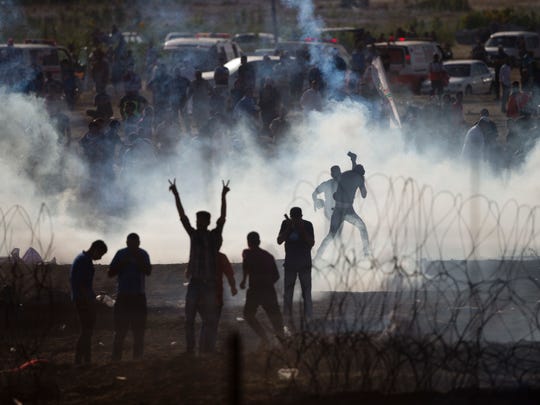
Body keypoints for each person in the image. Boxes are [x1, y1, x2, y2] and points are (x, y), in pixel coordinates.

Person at [168, 178, 230, 354]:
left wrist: (223, 196)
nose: (197, 222)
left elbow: (223, 218)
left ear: (206, 222)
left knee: (208, 319)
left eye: (200, 220)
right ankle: (191, 349)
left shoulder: (213, 236)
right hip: (196, 282)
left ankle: (205, 349)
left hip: (207, 284)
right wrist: (176, 194)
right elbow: (182, 217)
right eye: (197, 220)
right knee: (190, 319)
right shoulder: (194, 234)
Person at [316, 152, 370, 259]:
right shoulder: (359, 178)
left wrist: (353, 161)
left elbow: (353, 171)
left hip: (341, 210)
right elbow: (364, 195)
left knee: (331, 234)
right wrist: (362, 184)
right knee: (361, 228)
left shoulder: (347, 175)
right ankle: (366, 253)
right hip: (345, 210)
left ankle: (318, 255)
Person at [108, 233, 152, 361]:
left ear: (139, 243)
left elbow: (148, 271)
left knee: (138, 331)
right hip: (125, 296)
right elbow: (110, 272)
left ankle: (136, 359)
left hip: (137, 296)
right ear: (127, 243)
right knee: (121, 331)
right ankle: (117, 359)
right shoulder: (121, 254)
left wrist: (137, 262)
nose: (132, 246)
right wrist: (123, 263)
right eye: (130, 243)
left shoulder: (142, 254)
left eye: (135, 244)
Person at [240, 231, 284, 348]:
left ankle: (265, 338)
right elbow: (276, 276)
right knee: (275, 318)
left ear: (248, 243)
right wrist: (267, 283)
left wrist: (244, 281)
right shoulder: (267, 256)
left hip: (255, 290)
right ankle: (282, 342)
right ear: (259, 242)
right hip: (267, 290)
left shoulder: (247, 253)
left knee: (249, 315)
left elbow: (245, 267)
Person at [70, 240, 108, 365]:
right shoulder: (84, 261)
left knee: (87, 331)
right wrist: (91, 300)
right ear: (95, 250)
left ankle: (86, 360)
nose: (100, 257)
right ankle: (80, 360)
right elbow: (82, 285)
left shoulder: (82, 259)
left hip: (82, 298)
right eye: (101, 254)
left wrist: (93, 296)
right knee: (87, 331)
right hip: (83, 300)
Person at [277, 207, 315, 327]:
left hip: (304, 265)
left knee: (307, 294)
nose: (295, 219)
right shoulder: (285, 224)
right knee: (288, 294)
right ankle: (287, 321)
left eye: (297, 218)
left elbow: (311, 243)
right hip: (290, 265)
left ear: (301, 217)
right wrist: (289, 227)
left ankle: (308, 319)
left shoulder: (308, 225)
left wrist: (301, 229)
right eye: (294, 217)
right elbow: (279, 240)